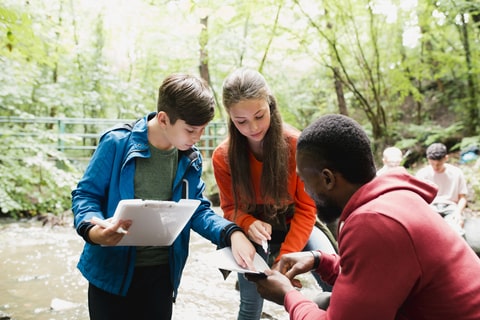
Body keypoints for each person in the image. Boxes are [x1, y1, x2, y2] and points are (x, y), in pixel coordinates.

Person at [246, 114, 480, 319]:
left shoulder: (374, 223)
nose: (305, 191)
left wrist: (288, 295)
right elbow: (376, 275)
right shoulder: (394, 199)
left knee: (319, 304)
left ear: (328, 179)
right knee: (323, 302)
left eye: (305, 181)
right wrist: (320, 260)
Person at [71, 74, 256, 320]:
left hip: (162, 275)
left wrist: (232, 232)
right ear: (163, 119)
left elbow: (197, 210)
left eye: (202, 130)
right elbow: (85, 195)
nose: (197, 138)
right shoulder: (116, 143)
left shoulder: (190, 157)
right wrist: (95, 232)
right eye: (191, 130)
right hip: (110, 274)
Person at [212, 68, 337, 320]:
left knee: (337, 281)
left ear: (270, 104)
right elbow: (229, 209)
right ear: (230, 118)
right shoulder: (223, 157)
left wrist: (284, 260)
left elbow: (306, 210)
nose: (253, 128)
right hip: (253, 235)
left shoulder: (296, 145)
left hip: (298, 224)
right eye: (241, 121)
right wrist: (248, 223)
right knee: (250, 303)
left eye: (259, 115)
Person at [415, 142, 468, 235]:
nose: (435, 167)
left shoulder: (456, 173)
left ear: (446, 158)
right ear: (428, 160)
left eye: (438, 164)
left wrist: (458, 213)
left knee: (456, 231)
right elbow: (417, 198)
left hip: (451, 207)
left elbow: (462, 197)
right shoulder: (422, 174)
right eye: (432, 164)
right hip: (431, 207)